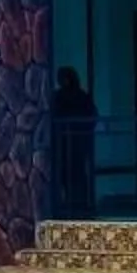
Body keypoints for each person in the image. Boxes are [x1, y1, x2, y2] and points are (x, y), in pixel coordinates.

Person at [50, 68, 97, 213]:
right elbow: (92, 116)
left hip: (69, 143)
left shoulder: (63, 97)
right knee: (76, 174)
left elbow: (91, 117)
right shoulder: (80, 96)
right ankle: (78, 203)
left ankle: (74, 203)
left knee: (70, 174)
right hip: (74, 143)